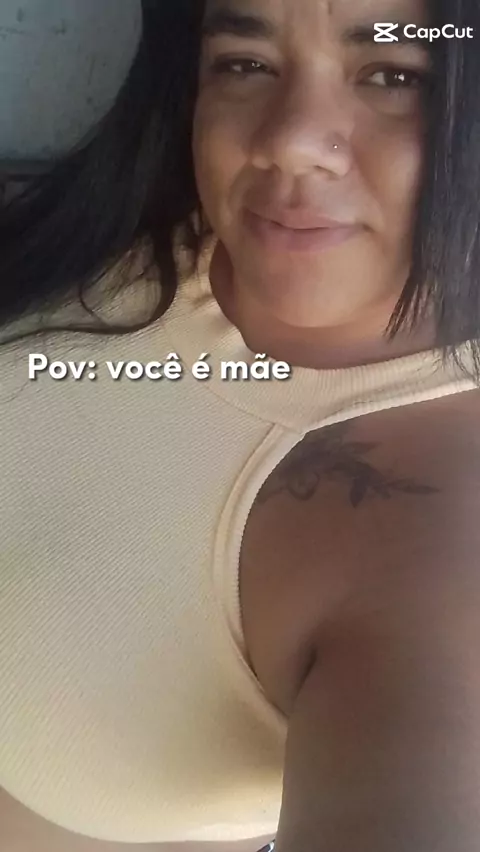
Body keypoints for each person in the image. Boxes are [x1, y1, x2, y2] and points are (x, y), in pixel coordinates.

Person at [2, 0, 480, 850]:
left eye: (395, 75)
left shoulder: (439, 539)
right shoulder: (147, 217)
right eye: (245, 63)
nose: (288, 140)